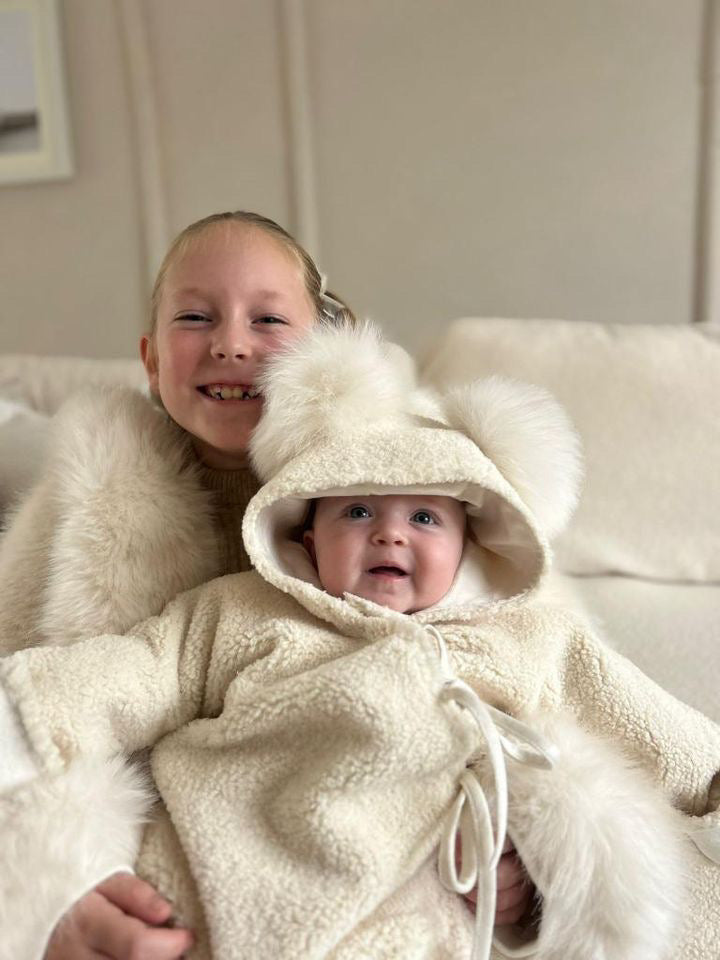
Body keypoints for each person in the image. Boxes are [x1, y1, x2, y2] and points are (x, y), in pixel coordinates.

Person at [2, 322, 719, 959]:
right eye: (356, 511)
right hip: (221, 876)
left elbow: (657, 730)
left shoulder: (528, 636)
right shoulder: (239, 609)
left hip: (413, 908)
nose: (389, 534)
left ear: (469, 541)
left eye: (425, 519)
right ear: (307, 534)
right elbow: (127, 674)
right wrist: (24, 714)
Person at [0, 213, 525, 959]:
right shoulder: (85, 498)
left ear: (323, 347)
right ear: (150, 359)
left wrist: (522, 833)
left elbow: (517, 660)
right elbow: (22, 694)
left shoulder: (402, 476)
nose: (230, 343)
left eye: (268, 319)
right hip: (170, 833)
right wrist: (53, 882)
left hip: (346, 805)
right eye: (194, 318)